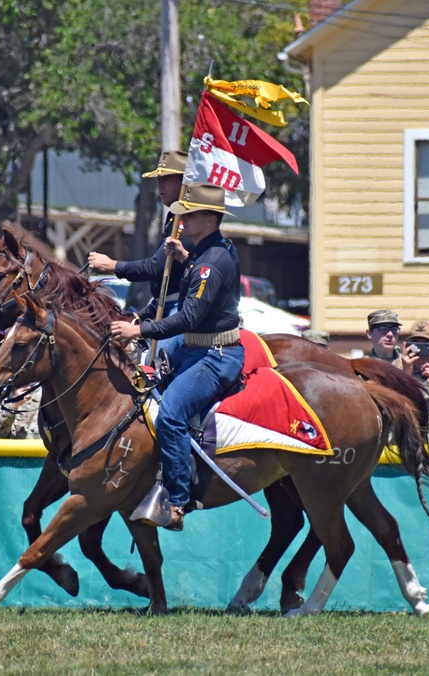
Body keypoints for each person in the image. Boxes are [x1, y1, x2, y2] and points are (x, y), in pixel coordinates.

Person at [111, 182, 244, 531]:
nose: (181, 220)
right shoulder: (205, 252)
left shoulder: (209, 262)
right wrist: (184, 259)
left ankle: (177, 500)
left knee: (169, 414)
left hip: (214, 355)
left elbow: (188, 318)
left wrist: (136, 331)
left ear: (210, 218)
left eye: (190, 214)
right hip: (196, 347)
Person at [87, 149, 189, 322]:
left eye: (168, 180)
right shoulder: (174, 215)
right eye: (159, 181)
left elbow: (156, 267)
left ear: (185, 183)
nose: (160, 186)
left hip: (180, 307)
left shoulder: (187, 218)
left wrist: (112, 265)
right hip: (161, 303)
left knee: (160, 349)